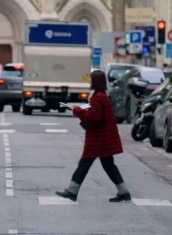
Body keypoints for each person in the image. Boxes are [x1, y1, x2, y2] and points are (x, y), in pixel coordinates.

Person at [55, 70, 131, 203]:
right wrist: (81, 108)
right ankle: (124, 192)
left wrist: (78, 112)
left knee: (84, 163)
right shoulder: (102, 95)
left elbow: (95, 118)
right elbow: (95, 112)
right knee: (108, 165)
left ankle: (72, 191)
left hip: (98, 138)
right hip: (104, 138)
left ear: (95, 82)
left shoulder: (98, 97)